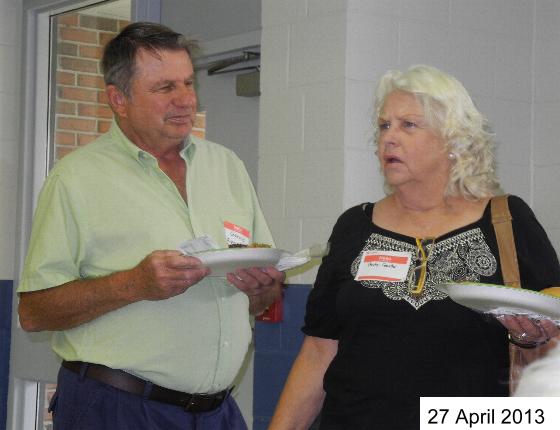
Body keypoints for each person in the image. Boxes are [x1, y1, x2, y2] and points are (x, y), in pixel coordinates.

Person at [17, 22, 285, 430]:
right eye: (165, 88)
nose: (186, 100)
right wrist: (135, 283)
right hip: (117, 410)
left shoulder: (226, 166)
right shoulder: (76, 179)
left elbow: (258, 301)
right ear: (118, 99)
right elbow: (34, 313)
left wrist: (262, 288)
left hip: (217, 413)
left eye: (188, 83)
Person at [268, 64, 560, 430]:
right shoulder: (354, 226)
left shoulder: (506, 220)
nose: (389, 138)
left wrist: (533, 332)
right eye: (384, 125)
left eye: (408, 125)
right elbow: (318, 351)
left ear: (453, 141)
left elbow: (552, 309)